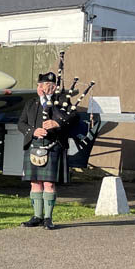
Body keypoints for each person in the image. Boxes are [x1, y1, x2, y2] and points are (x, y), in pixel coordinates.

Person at [17, 71, 78, 230]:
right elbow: (21, 124)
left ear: (52, 87)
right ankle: (37, 216)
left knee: (49, 183)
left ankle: (48, 218)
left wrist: (58, 123)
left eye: (42, 86)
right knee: (35, 183)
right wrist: (32, 131)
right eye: (39, 85)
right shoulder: (31, 103)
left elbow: (74, 117)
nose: (40, 88)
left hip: (53, 146)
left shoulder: (62, 102)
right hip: (34, 146)